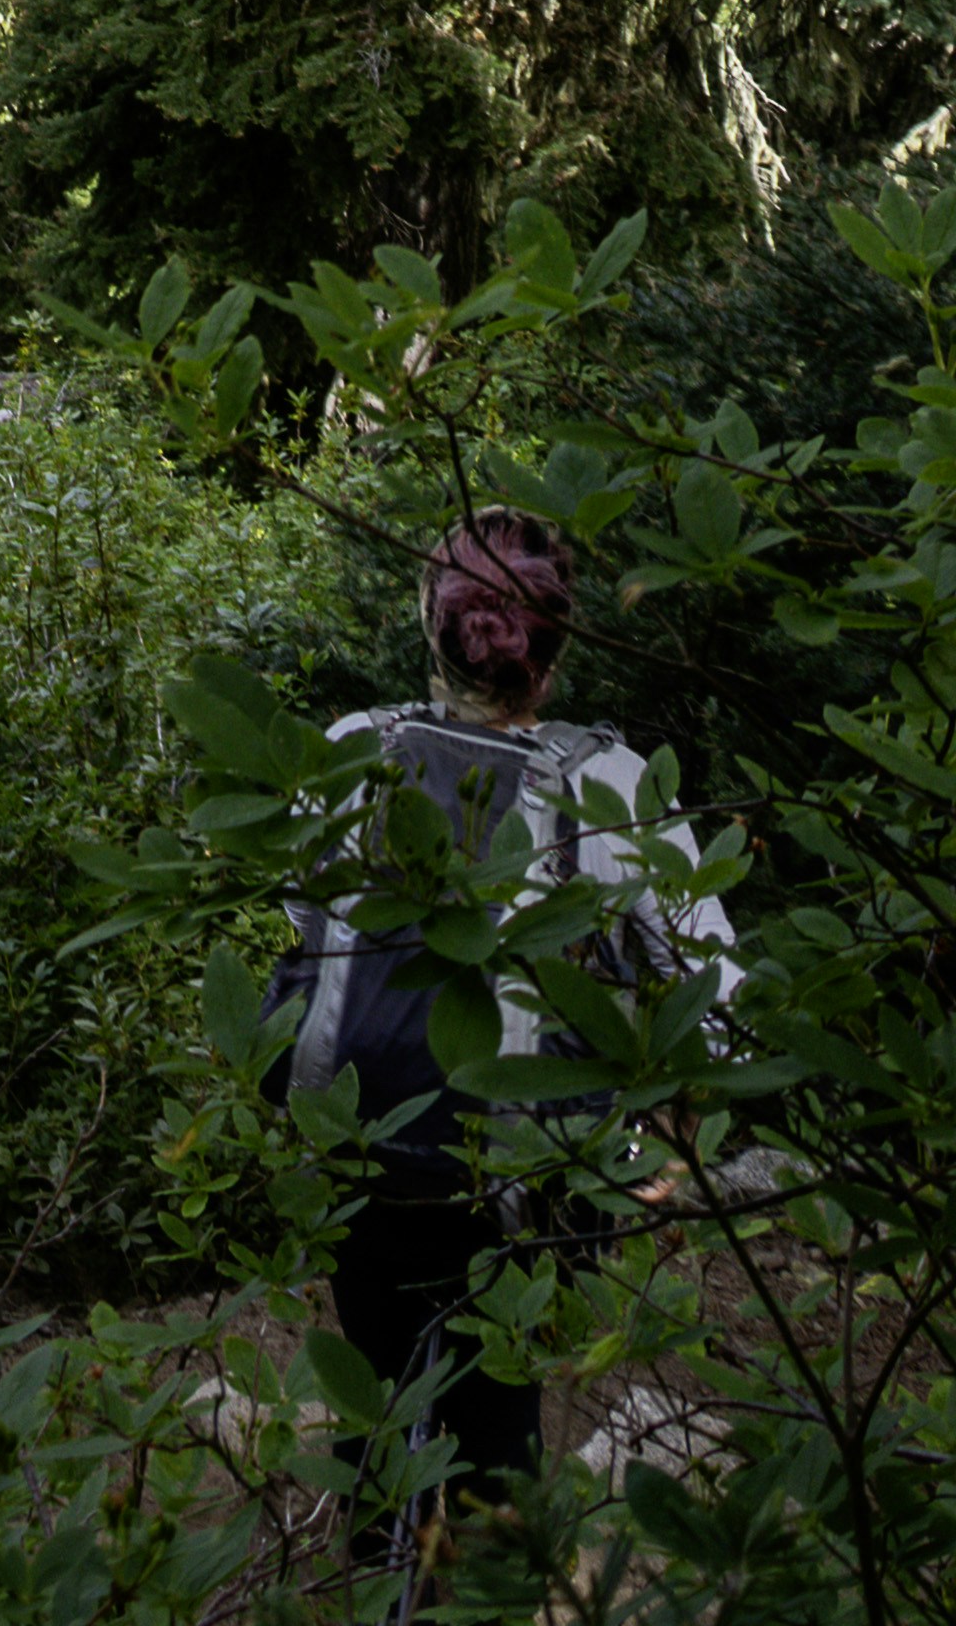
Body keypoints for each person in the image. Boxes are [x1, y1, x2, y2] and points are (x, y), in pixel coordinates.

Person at [297, 511, 736, 1558]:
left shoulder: (353, 749)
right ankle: (491, 1569)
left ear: (428, 626)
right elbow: (716, 1003)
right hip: (524, 1173)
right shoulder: (611, 784)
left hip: (361, 1145)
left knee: (381, 1391)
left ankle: (381, 1571)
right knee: (497, 1413)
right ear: (560, 641)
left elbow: (302, 935)